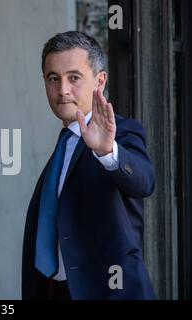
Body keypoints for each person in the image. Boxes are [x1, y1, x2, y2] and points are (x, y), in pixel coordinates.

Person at [22, 31, 156, 300]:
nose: (63, 90)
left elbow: (144, 181)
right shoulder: (63, 148)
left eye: (74, 77)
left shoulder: (121, 133)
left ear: (100, 80)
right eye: (53, 79)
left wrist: (108, 152)